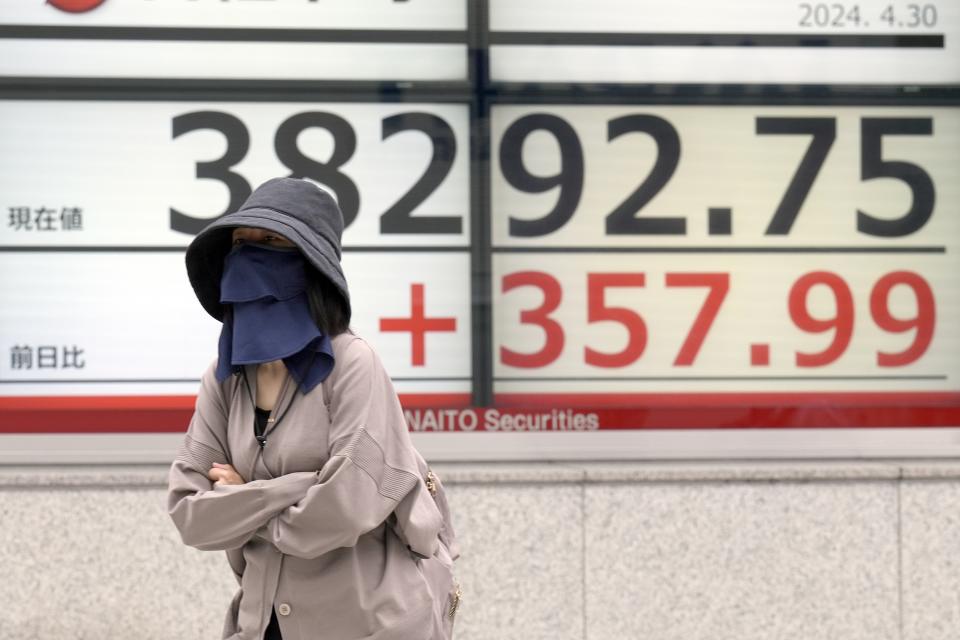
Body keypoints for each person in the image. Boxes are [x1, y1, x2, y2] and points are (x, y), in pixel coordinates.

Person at [167, 177, 460, 640]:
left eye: (271, 241)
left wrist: (244, 499)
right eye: (240, 243)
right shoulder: (223, 379)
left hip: (369, 622)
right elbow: (189, 514)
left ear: (308, 264)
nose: (250, 255)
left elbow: (346, 508)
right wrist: (301, 487)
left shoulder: (352, 363)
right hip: (264, 621)